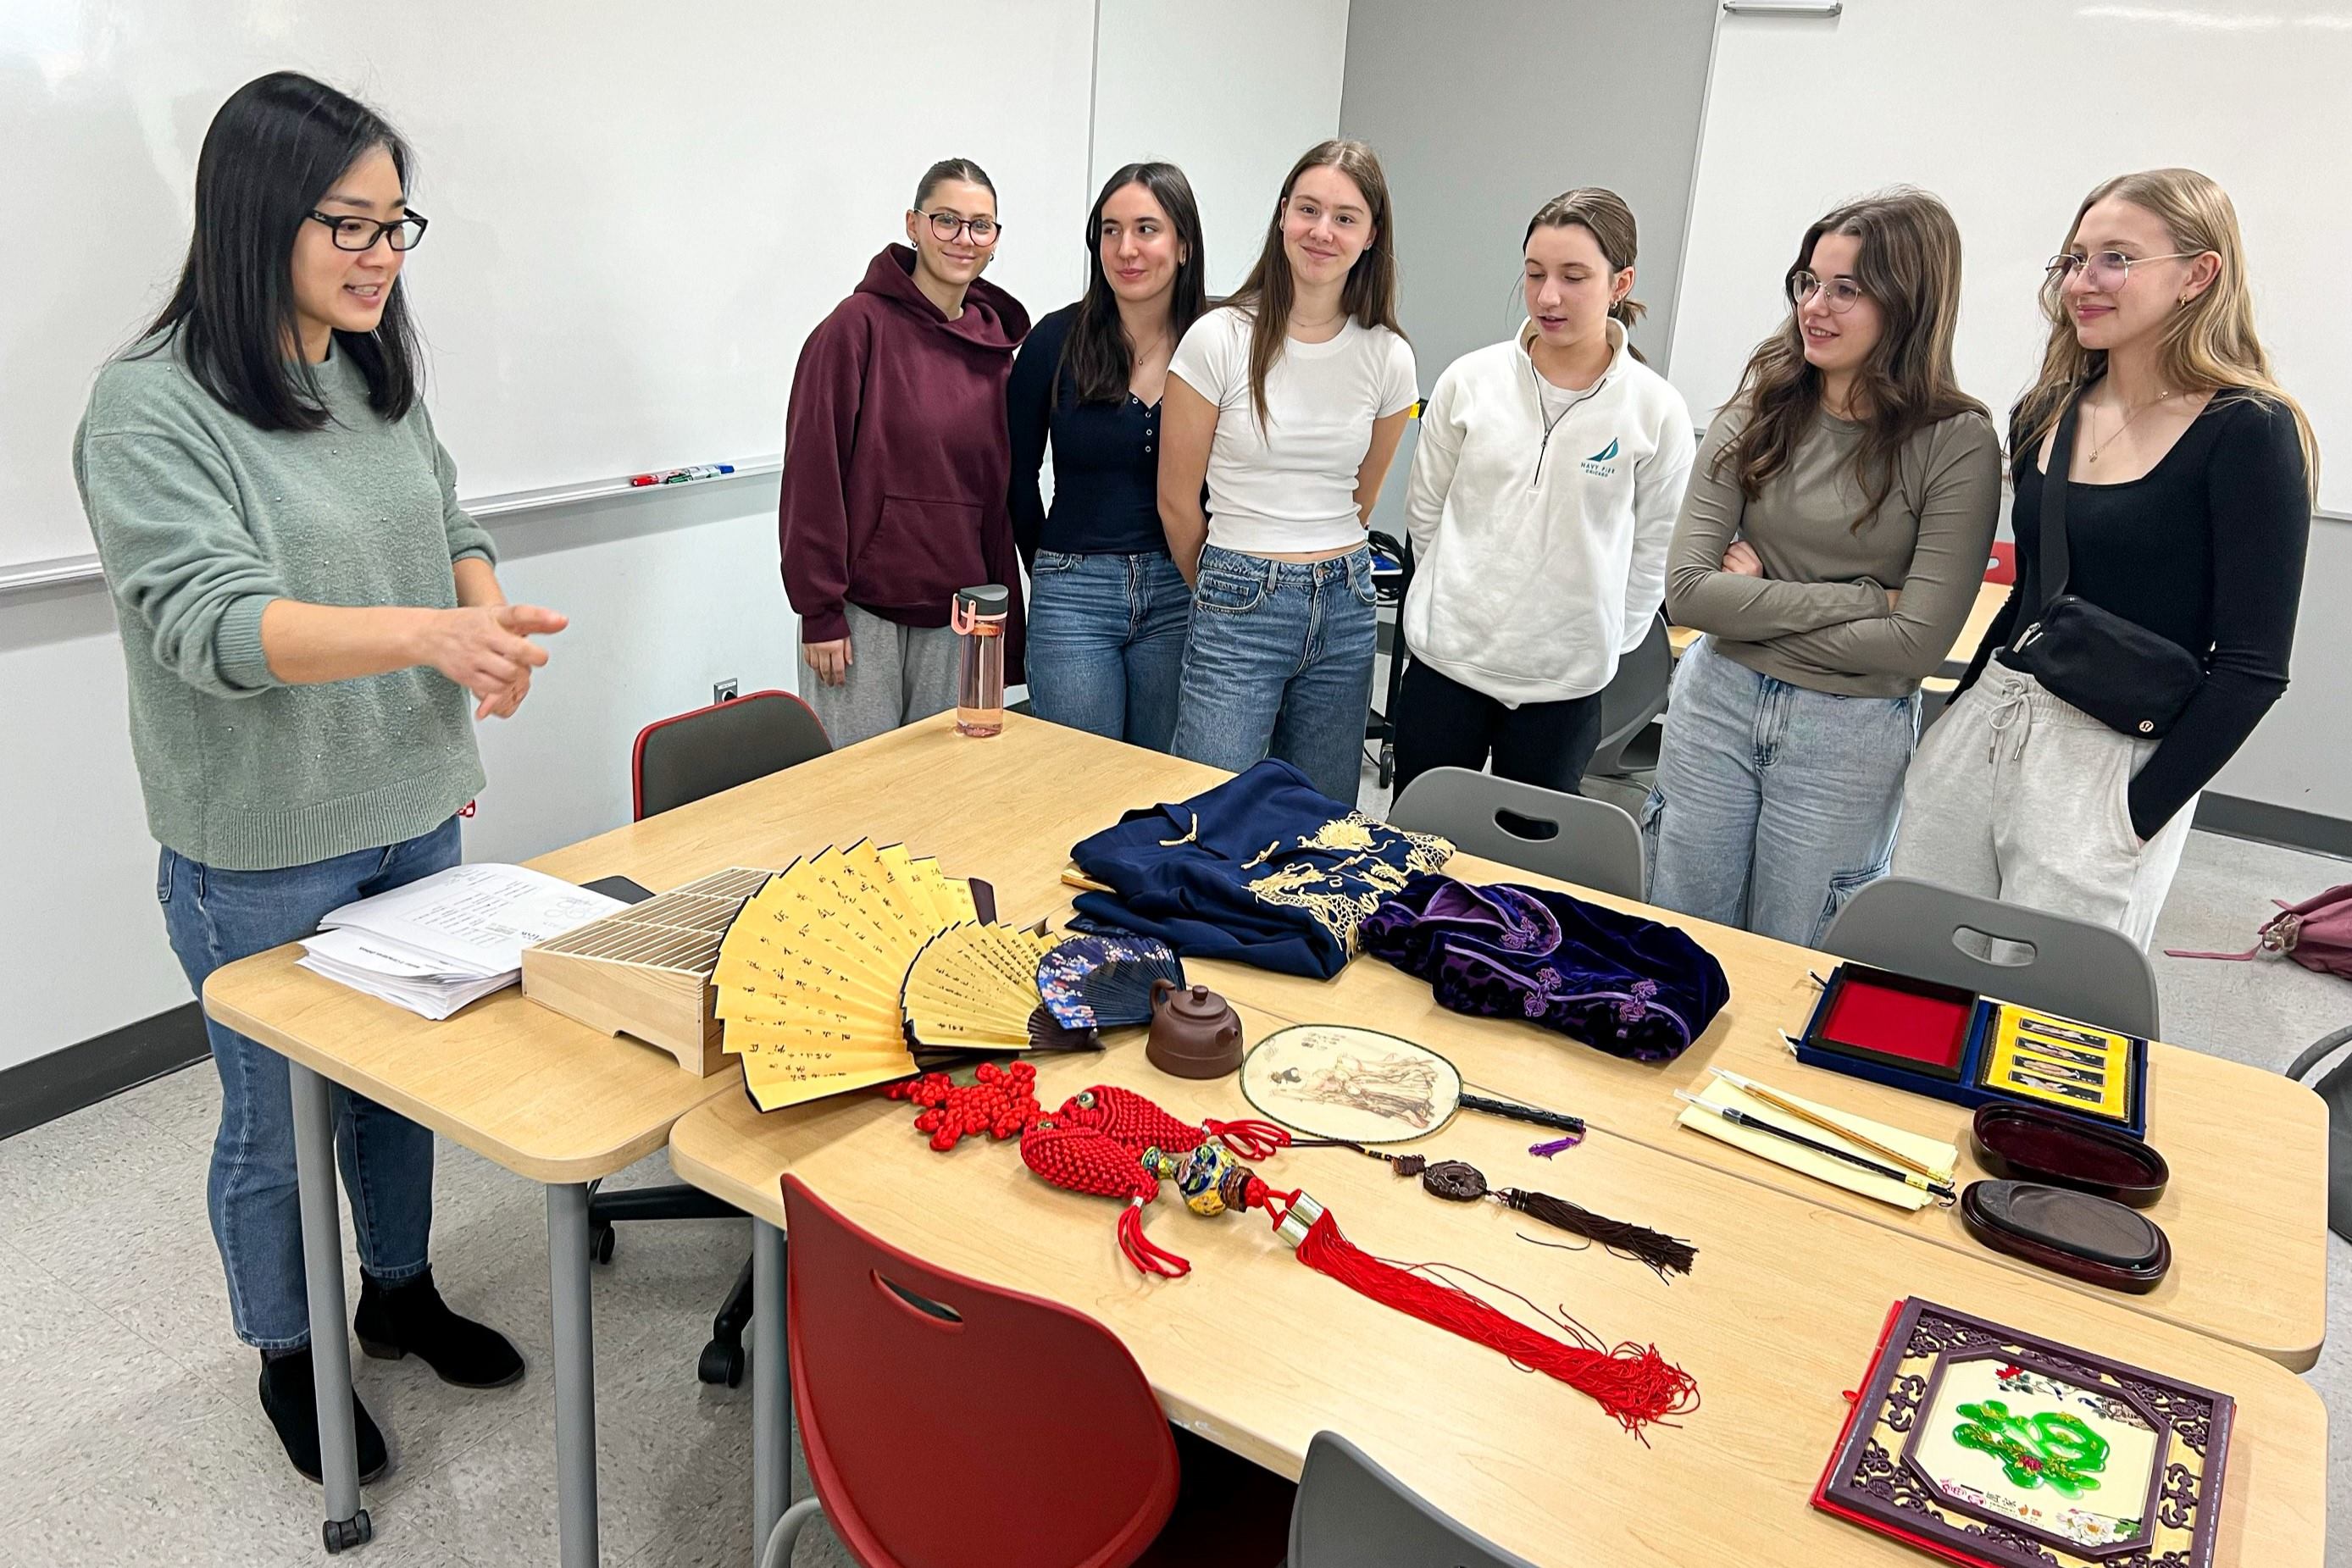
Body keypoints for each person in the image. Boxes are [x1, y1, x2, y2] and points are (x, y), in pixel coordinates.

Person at [75, 73, 552, 1483]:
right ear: (255, 214)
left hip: (410, 803)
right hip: (262, 841)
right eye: (348, 225)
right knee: (276, 1121)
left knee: (403, 1086)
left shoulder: (366, 371)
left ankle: (395, 1293)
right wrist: (430, 631)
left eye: (398, 226)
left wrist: (482, 621)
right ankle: (291, 1350)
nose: (379, 257)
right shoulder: (149, 408)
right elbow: (213, 627)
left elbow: (448, 512)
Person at [1895, 169, 2314, 947]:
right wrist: (1953, 728)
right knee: (1920, 976)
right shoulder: (2045, 409)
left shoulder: (2249, 430)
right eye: (2074, 259)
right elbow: (2030, 601)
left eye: (2116, 258)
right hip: (1990, 723)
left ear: (2199, 273)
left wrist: (2134, 816)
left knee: (2046, 1024)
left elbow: (2254, 667)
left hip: (2111, 758)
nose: (2082, 282)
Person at [1648, 188, 2002, 947]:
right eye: (1810, 282)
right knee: (1681, 937)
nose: (1816, 306)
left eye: (1847, 289)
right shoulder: (1756, 411)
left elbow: (1916, 646)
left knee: (1799, 956)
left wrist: (1753, 601)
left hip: (1849, 730)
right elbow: (1686, 596)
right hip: (1717, 704)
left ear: (1908, 304)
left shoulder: (1959, 442)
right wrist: (1869, 599)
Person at [1395, 187, 1695, 796]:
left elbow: (1657, 547)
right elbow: (1425, 511)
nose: (1547, 296)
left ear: (1621, 282)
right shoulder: (1469, 381)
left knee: (1530, 867)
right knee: (1417, 845)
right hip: (1445, 663)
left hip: (1565, 684)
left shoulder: (1654, 409)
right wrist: (1453, 596)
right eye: (1534, 274)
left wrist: (1606, 636)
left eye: (1573, 276)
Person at [1159, 139, 1417, 804]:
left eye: (1345, 217)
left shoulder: (1389, 356)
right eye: (1308, 209)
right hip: (1238, 591)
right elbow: (1177, 502)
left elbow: (1364, 496)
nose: (1322, 231)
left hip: (1347, 602)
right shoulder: (1218, 338)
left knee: (1323, 822)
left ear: (1371, 235)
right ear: (1282, 217)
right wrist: (1226, 587)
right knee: (1209, 810)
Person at [779, 158, 1030, 746]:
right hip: (859, 617)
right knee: (854, 797)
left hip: (958, 619)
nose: (962, 239)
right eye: (946, 220)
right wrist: (819, 611)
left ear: (995, 241)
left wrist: (1003, 630)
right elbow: (813, 478)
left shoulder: (995, 355)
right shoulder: (853, 329)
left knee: (939, 799)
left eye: (980, 225)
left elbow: (995, 502)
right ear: (913, 224)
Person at [1007, 162, 1207, 749]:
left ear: (1184, 243)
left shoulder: (1216, 341)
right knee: (1077, 779)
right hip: (1075, 591)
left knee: (1164, 782)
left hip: (1182, 587)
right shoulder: (1054, 340)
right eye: (1110, 230)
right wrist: (1045, 567)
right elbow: (1017, 477)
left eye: (1147, 228)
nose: (1126, 248)